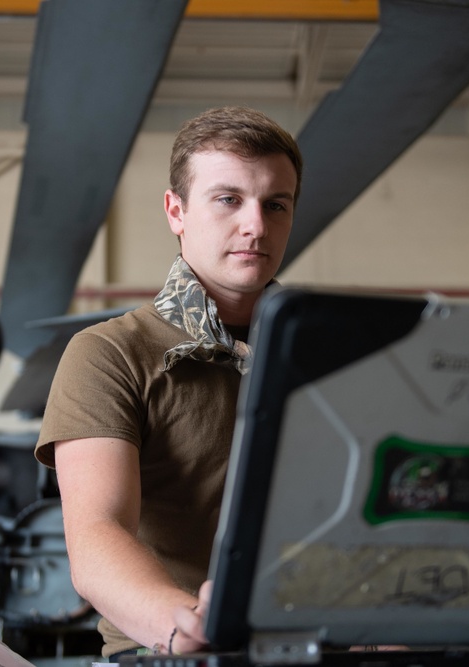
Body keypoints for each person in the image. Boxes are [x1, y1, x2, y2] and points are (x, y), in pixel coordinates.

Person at [33, 106, 303, 659]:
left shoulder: (329, 353)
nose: (256, 225)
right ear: (175, 211)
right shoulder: (110, 354)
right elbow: (98, 536)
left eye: (276, 204)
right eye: (228, 199)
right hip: (169, 651)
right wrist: (183, 623)